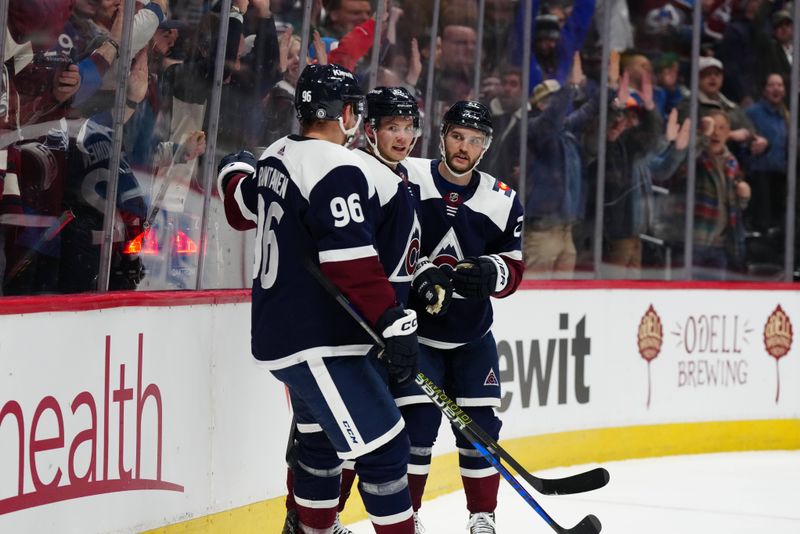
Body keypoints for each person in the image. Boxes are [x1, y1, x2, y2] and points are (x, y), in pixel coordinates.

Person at [217, 64, 418, 534]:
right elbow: (351, 261)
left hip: (282, 336)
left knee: (320, 445)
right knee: (385, 449)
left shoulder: (278, 154)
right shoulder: (337, 167)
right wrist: (390, 321)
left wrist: (234, 166)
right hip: (323, 341)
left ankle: (313, 530)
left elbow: (239, 205)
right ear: (347, 113)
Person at [402, 101, 524, 533]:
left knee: (481, 432)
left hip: (473, 339)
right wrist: (418, 273)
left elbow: (514, 270)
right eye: (458, 136)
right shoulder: (408, 178)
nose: (464, 147)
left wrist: (494, 271)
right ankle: (407, 518)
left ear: (486, 147)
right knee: (416, 430)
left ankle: (482, 518)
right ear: (443, 135)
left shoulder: (503, 199)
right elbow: (386, 248)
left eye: (475, 141)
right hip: (416, 335)